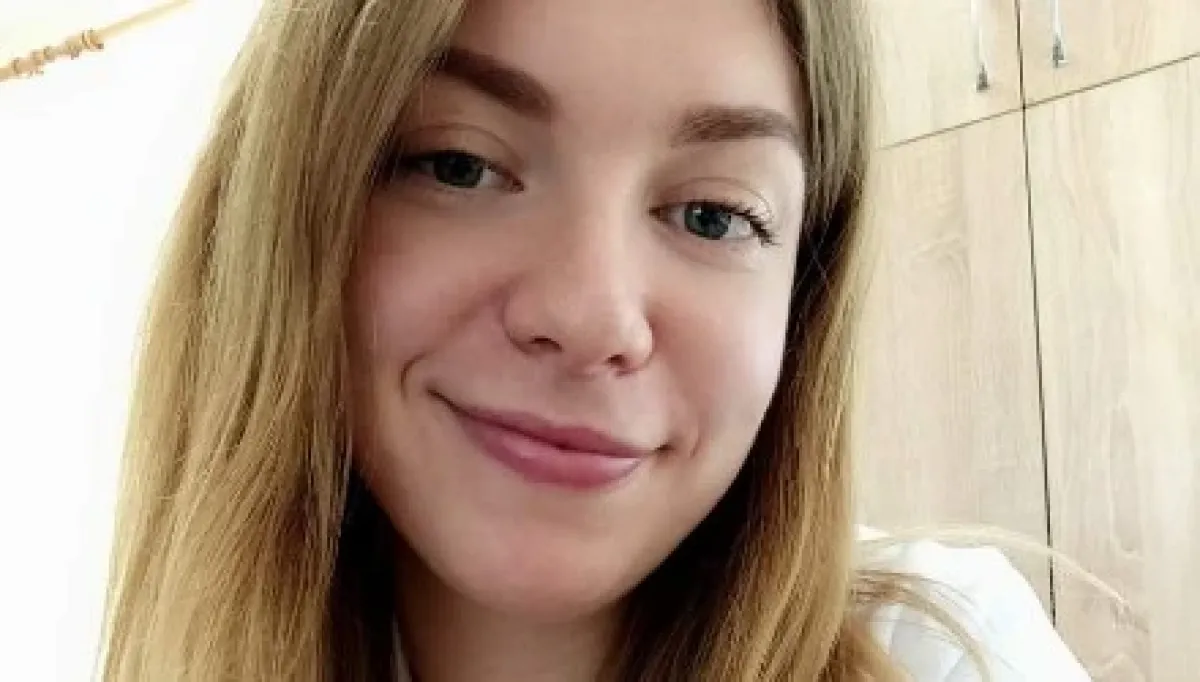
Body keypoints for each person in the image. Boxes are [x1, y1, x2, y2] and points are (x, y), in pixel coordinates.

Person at [97, 0, 1095, 680]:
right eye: (458, 164)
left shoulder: (943, 653)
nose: (591, 317)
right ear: (288, 213)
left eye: (714, 216)